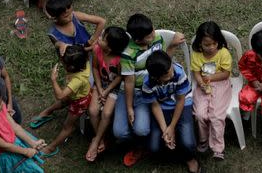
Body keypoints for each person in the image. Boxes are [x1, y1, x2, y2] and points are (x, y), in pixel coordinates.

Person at [114, 14, 185, 168]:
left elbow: (162, 63)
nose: (154, 34)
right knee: (119, 133)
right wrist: (129, 107)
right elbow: (129, 81)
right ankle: (137, 137)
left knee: (141, 130)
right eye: (150, 34)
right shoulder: (128, 54)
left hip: (148, 91)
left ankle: (141, 143)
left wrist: (172, 46)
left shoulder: (157, 39)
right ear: (138, 40)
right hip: (130, 92)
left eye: (153, 29)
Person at [142, 51, 200, 173]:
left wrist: (172, 127)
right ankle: (170, 147)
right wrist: (165, 130)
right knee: (153, 147)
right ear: (156, 77)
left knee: (189, 144)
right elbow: (155, 106)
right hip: (162, 107)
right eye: (168, 73)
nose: (172, 72)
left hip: (182, 104)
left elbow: (180, 100)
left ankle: (190, 159)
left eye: (171, 68)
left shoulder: (178, 73)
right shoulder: (147, 83)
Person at [0, 85, 46, 173]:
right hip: (7, 154)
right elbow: (5, 146)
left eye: (1, 101)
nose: (3, 104)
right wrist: (26, 151)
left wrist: (32, 143)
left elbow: (15, 127)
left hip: (15, 142)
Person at [85, 26, 129, 163]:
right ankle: (102, 139)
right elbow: (95, 68)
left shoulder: (120, 60)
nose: (99, 37)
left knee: (106, 113)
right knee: (92, 111)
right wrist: (99, 89)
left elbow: (119, 77)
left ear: (109, 48)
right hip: (101, 86)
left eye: (103, 38)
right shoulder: (97, 49)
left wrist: (107, 90)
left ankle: (96, 140)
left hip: (114, 88)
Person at [189, 22, 232, 160]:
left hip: (220, 84)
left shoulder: (223, 53)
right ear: (200, 43)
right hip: (203, 85)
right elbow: (196, 72)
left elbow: (226, 74)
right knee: (200, 114)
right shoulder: (196, 54)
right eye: (207, 45)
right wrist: (201, 82)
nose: (211, 47)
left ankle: (218, 148)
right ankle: (203, 140)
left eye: (214, 43)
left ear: (218, 41)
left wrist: (211, 77)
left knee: (216, 116)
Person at [39, 45, 91, 155]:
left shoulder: (77, 80)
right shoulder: (84, 62)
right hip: (76, 94)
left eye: (64, 63)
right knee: (63, 102)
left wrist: (53, 80)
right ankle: (48, 111)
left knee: (67, 126)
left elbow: (60, 95)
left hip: (79, 102)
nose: (62, 63)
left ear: (71, 68)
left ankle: (51, 148)